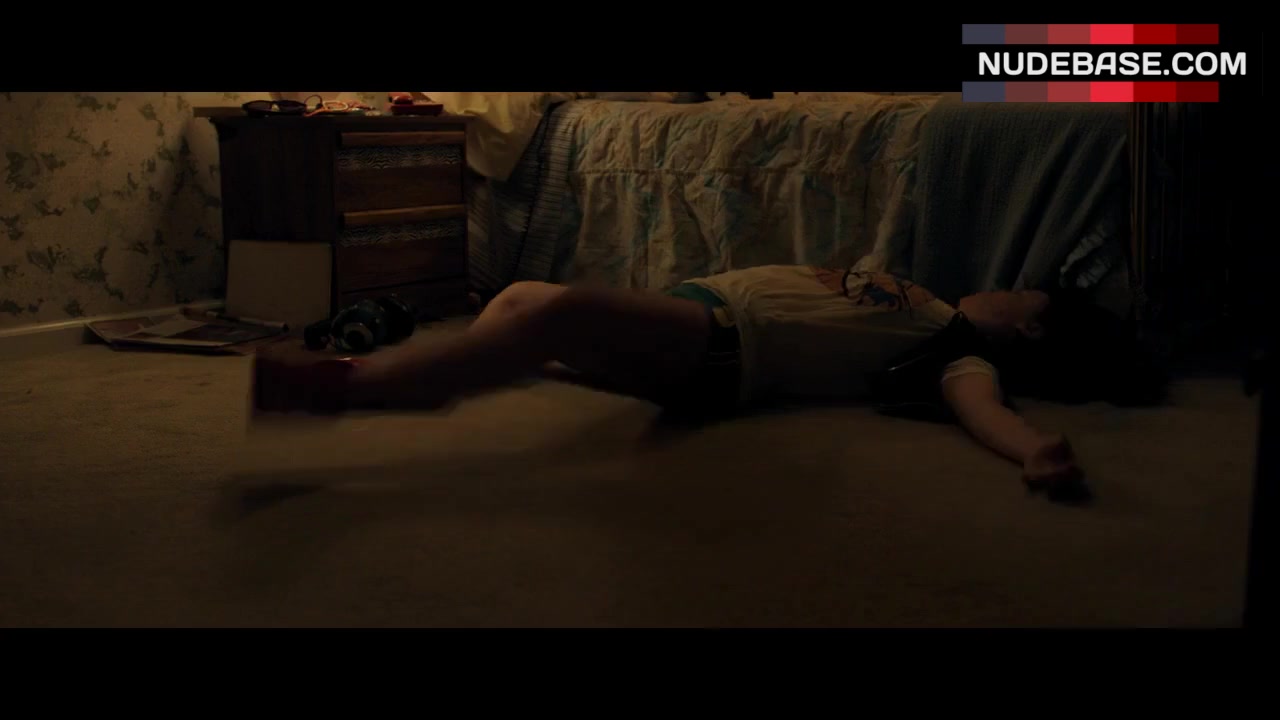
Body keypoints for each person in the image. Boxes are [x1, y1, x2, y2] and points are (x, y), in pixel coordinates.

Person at [253, 265, 1165, 501]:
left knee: (562, 311)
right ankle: (483, 362)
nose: (1005, 284)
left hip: (728, 347)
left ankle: (366, 386)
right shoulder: (925, 295)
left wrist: (1033, 449)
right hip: (702, 316)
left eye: (1022, 292)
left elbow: (982, 410)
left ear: (1027, 325)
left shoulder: (959, 351)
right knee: (527, 298)